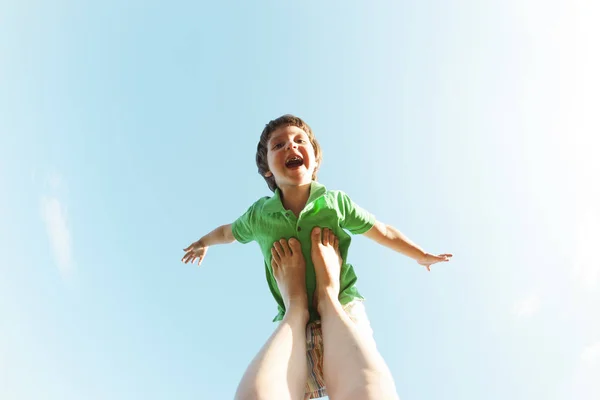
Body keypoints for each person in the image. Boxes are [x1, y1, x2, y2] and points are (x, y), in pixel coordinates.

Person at [182, 114, 452, 398]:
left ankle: (327, 297)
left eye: (300, 141)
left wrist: (420, 255)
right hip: (295, 321)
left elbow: (382, 230)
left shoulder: (335, 203)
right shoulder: (259, 215)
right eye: (279, 145)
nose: (291, 147)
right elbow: (228, 232)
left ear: (315, 159)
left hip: (344, 307)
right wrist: (203, 242)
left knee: (362, 380)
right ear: (267, 171)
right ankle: (299, 309)